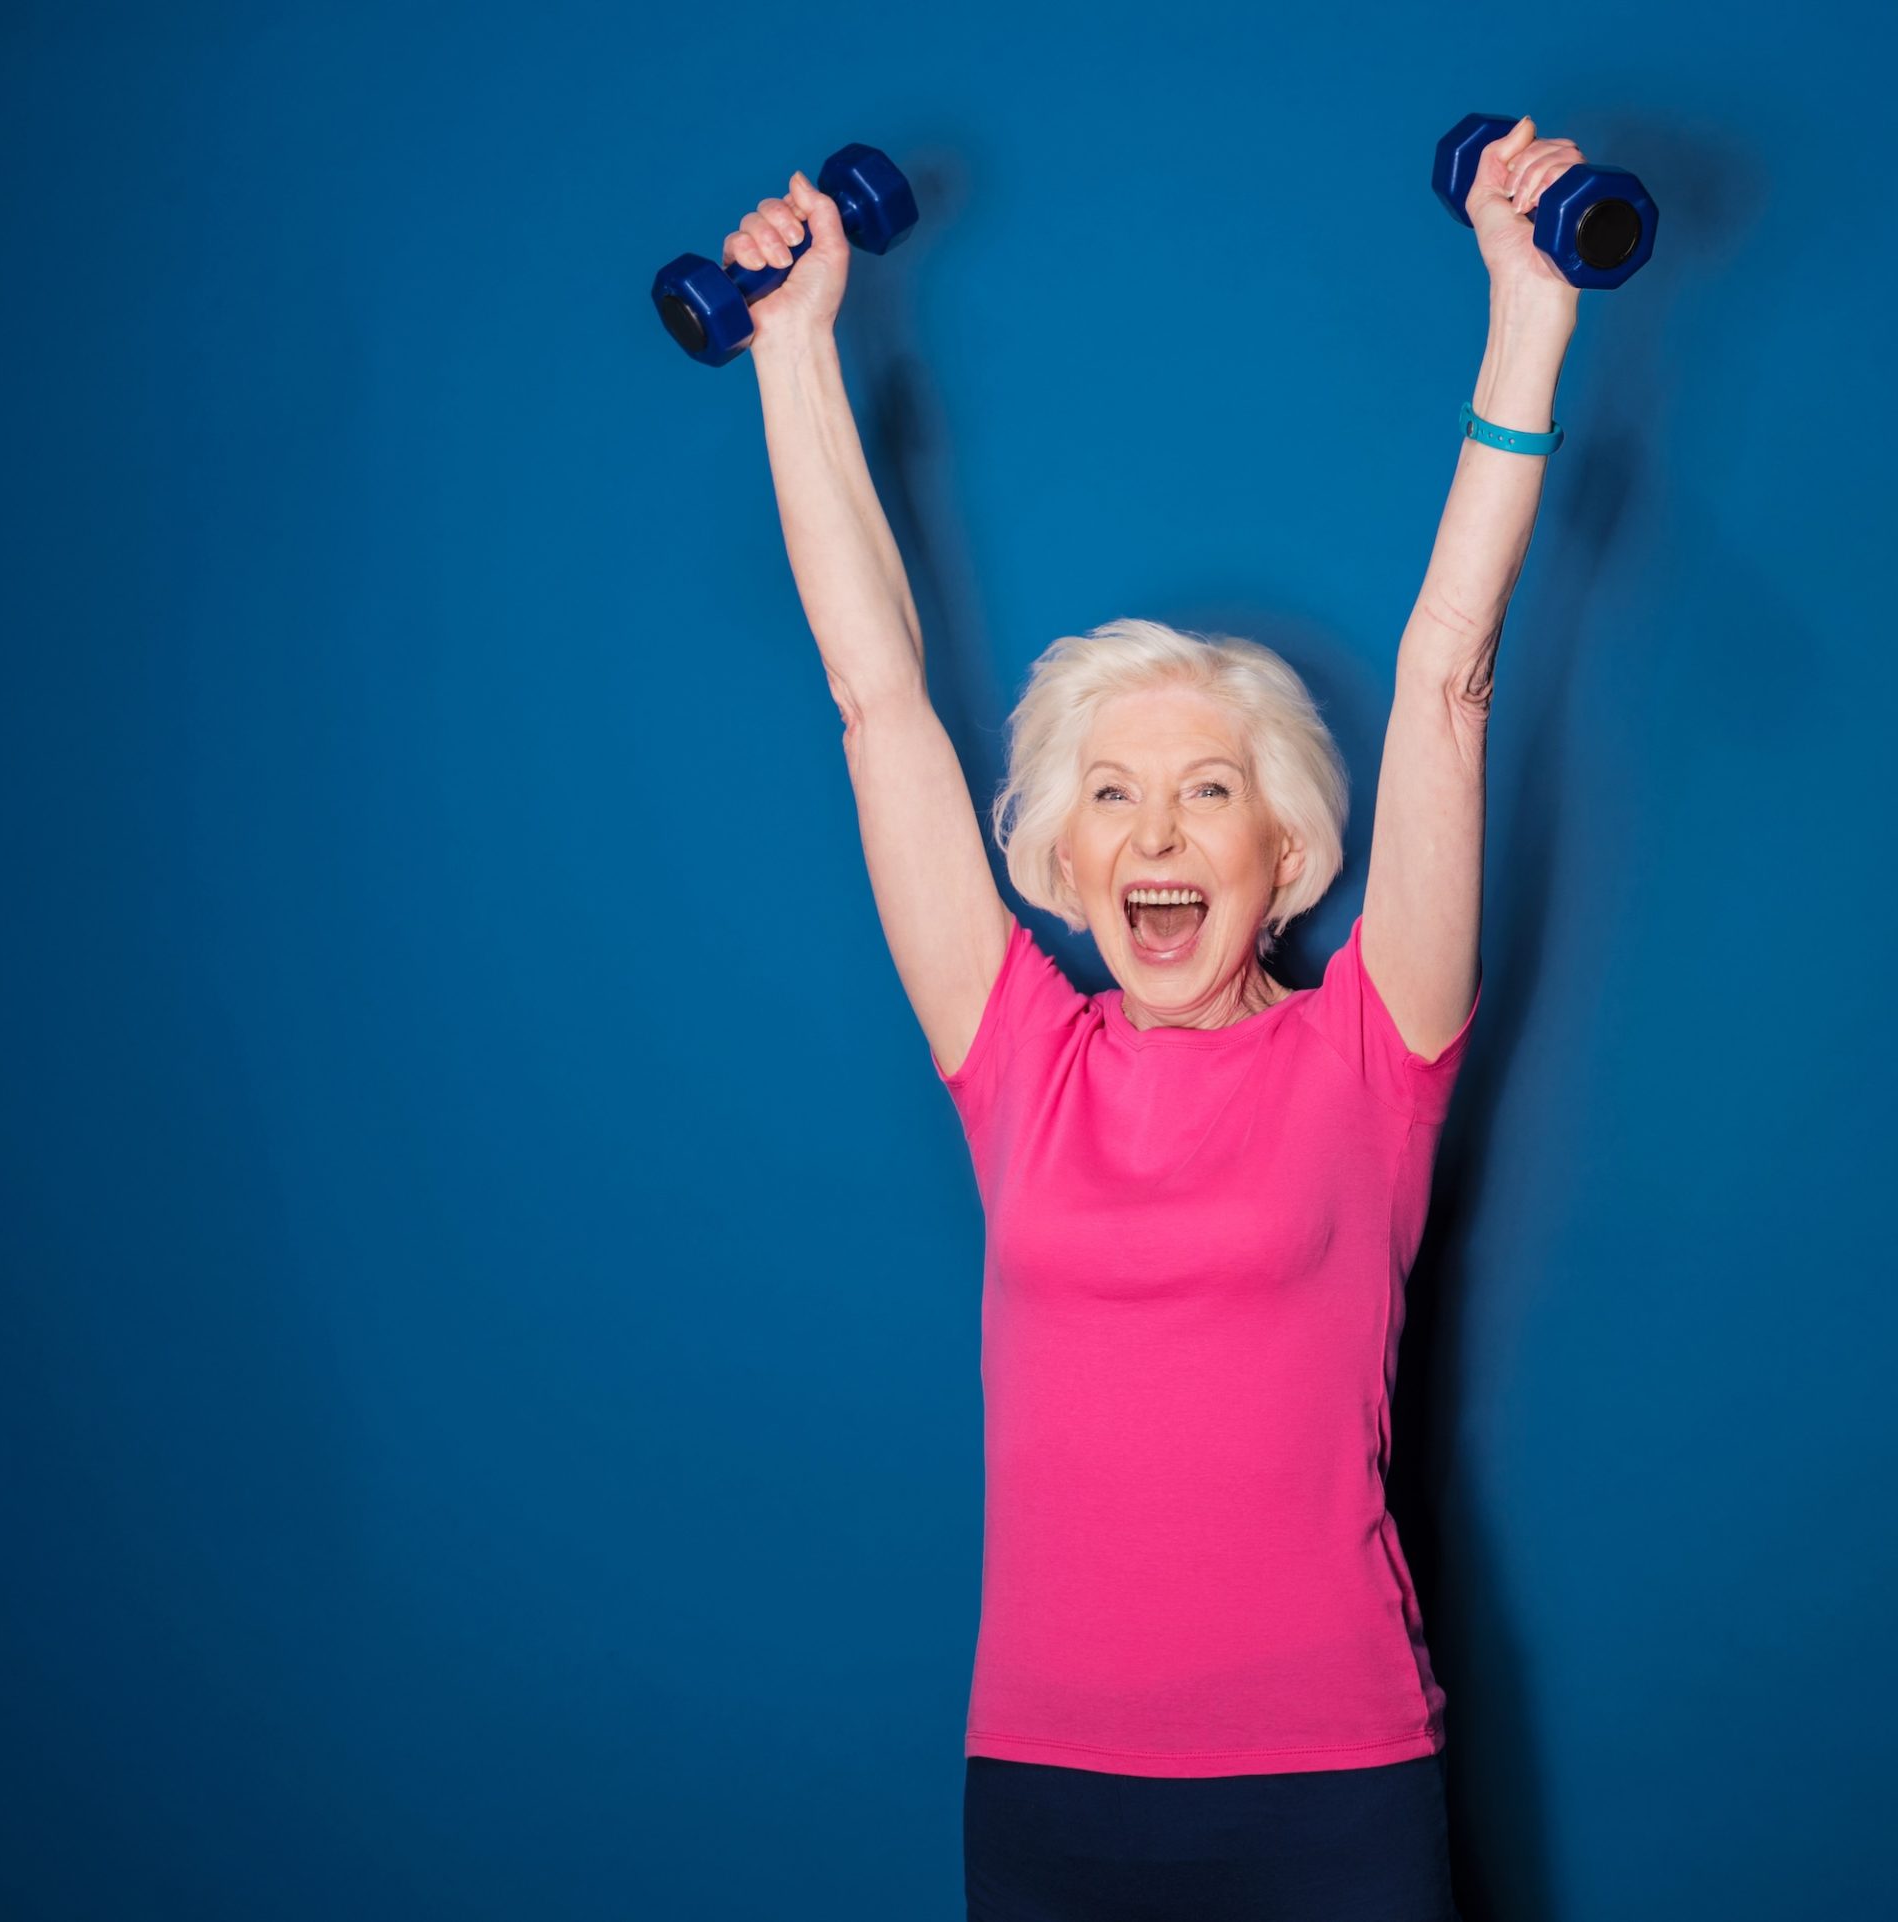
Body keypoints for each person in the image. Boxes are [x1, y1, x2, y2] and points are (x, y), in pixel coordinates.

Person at [724, 114, 1588, 1921]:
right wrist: (793, 345)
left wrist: (1531, 313)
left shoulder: (1374, 1053)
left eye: (1207, 793)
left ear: (1284, 853)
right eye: (1107, 797)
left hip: (1337, 1781)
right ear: (1053, 854)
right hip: (1045, 1790)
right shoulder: (1019, 1063)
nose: (1155, 834)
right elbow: (879, 703)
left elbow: (1446, 680)